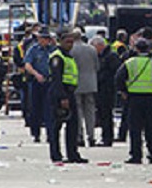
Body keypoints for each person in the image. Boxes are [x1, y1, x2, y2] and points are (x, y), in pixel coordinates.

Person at [115, 37, 152, 165]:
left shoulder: (130, 63)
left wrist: (123, 92)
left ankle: (136, 155)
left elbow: (118, 78)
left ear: (136, 49)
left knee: (135, 129)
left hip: (134, 99)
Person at [47, 30, 87, 164]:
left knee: (73, 125)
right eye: (67, 42)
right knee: (56, 126)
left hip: (70, 92)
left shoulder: (68, 56)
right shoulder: (57, 57)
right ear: (60, 42)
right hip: (60, 93)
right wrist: (62, 98)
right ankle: (56, 154)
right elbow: (56, 79)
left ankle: (73, 154)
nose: (70, 45)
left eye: (72, 42)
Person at [69, 29, 99, 146]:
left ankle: (79, 136)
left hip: (76, 83)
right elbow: (97, 66)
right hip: (91, 83)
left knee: (78, 111)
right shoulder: (92, 49)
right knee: (90, 111)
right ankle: (91, 136)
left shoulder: (71, 50)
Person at [24, 28, 54, 143]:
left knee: (49, 109)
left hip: (49, 81)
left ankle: (50, 134)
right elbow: (27, 64)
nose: (44, 41)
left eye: (47, 39)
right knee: (35, 108)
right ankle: (36, 133)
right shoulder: (33, 50)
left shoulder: (53, 50)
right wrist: (36, 74)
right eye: (42, 38)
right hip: (36, 82)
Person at [93, 35, 122, 146]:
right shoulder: (102, 55)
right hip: (101, 89)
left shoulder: (111, 56)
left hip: (107, 89)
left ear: (100, 45)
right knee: (102, 114)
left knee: (106, 114)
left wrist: (100, 77)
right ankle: (105, 136)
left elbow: (113, 72)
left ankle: (107, 138)